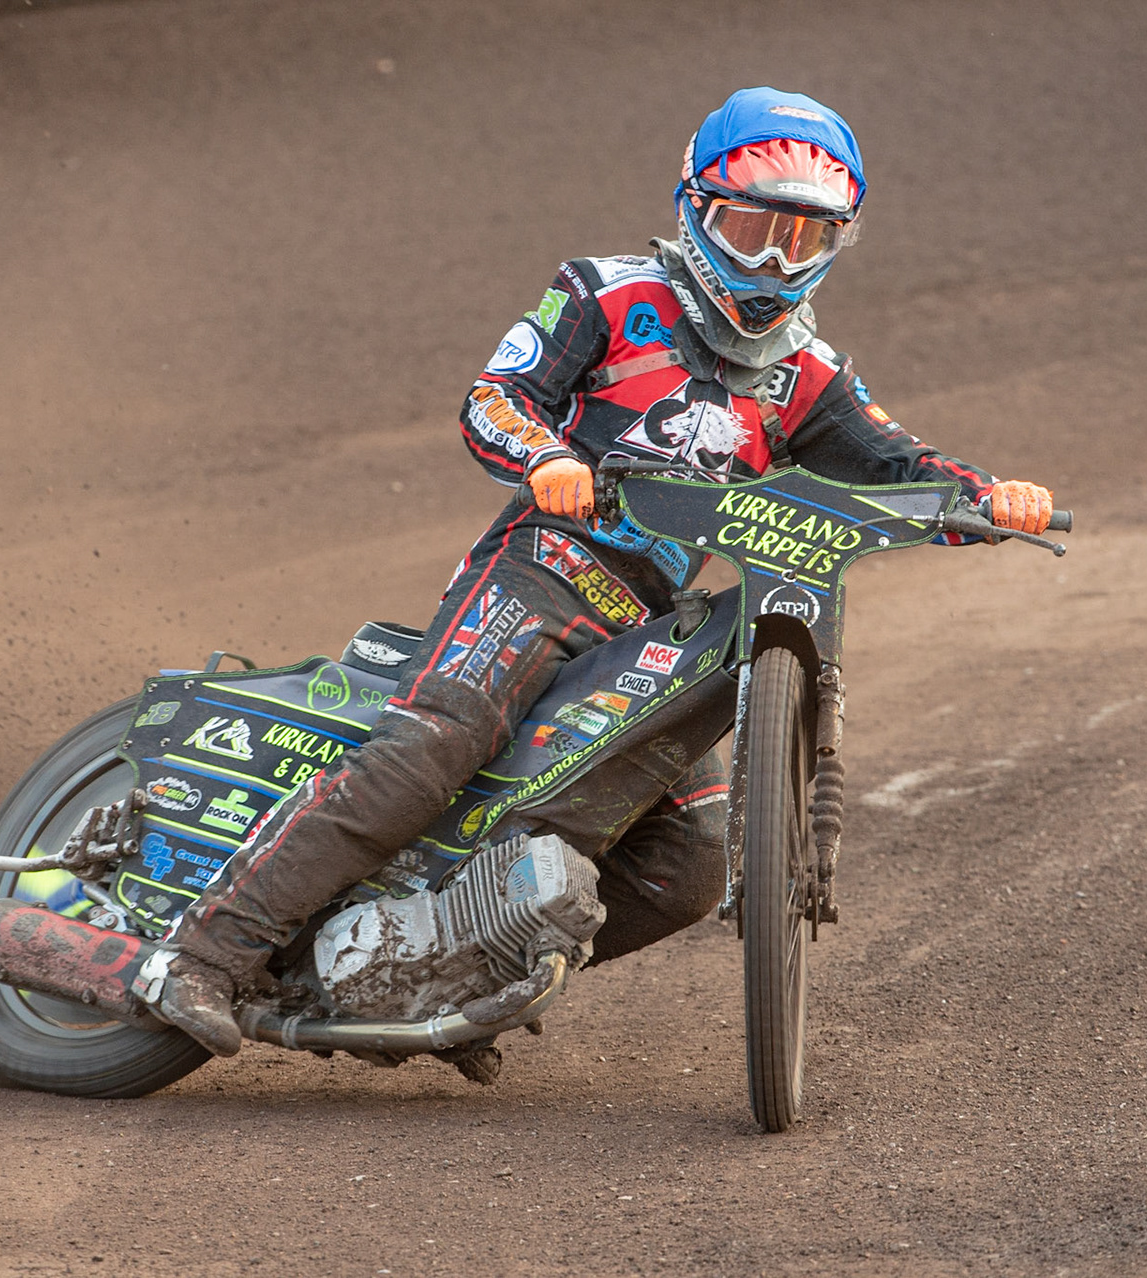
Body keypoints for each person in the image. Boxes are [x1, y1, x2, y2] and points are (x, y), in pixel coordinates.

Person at [154, 86, 1055, 1064]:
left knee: (691, 863)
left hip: (646, 628)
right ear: (695, 207)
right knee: (435, 746)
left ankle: (452, 973)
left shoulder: (810, 376)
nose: (772, 262)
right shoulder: (606, 294)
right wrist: (546, 458)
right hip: (541, 571)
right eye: (752, 229)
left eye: (803, 240)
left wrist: (989, 498)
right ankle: (200, 956)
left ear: (837, 244)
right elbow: (495, 398)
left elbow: (898, 466)